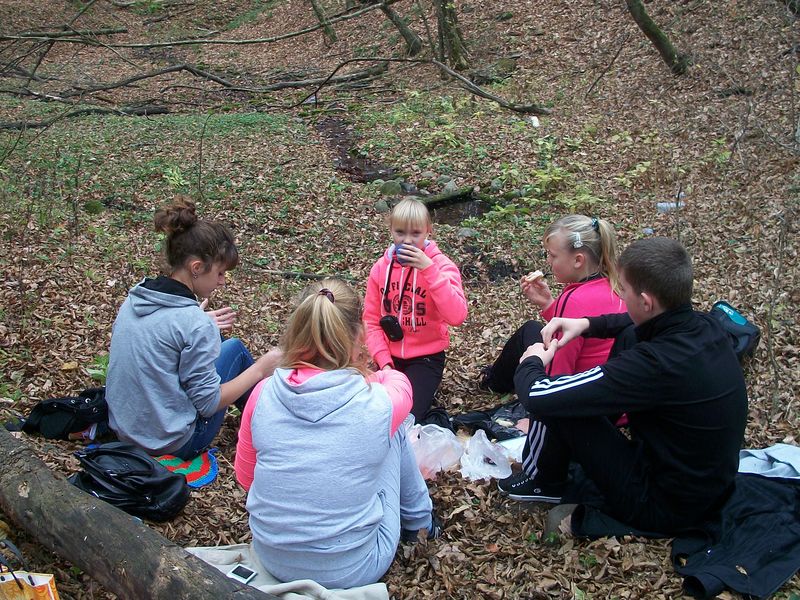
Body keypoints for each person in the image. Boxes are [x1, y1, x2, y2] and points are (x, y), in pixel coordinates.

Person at [512, 237, 748, 535]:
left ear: (646, 301)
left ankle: (543, 483)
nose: (620, 295)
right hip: (707, 487)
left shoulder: (653, 364)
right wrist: (586, 324)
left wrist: (531, 361)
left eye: (623, 289)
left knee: (564, 404)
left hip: (662, 506)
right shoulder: (706, 325)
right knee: (630, 335)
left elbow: (537, 396)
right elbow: (630, 322)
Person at [235, 279, 440, 588]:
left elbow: (247, 479)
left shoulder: (263, 393)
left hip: (272, 557)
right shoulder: (377, 401)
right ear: (359, 335)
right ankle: (421, 523)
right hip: (353, 567)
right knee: (394, 428)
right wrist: (375, 373)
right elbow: (400, 384)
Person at [106, 198, 281, 459]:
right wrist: (261, 368)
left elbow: (165, 334)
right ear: (196, 268)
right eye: (220, 273)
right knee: (235, 350)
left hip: (126, 431)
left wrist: (197, 321)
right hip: (172, 443)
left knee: (224, 345)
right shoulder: (193, 324)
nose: (222, 282)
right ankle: (275, 426)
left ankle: (266, 418)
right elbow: (208, 404)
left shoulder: (136, 297)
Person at [480, 215, 627, 500]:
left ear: (578, 260)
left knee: (536, 367)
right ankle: (494, 381)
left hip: (582, 405)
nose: (548, 262)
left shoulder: (574, 300)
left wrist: (534, 417)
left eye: (552, 255)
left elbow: (558, 377)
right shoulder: (615, 286)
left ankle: (538, 480)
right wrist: (550, 305)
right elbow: (584, 336)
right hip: (613, 403)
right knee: (532, 330)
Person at [363, 198, 468, 422]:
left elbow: (457, 316)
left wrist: (429, 269)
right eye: (400, 232)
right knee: (370, 411)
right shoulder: (381, 268)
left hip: (426, 358)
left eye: (416, 233)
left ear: (428, 231)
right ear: (390, 229)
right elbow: (371, 320)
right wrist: (384, 363)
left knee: (405, 417)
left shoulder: (442, 266)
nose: (407, 240)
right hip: (388, 356)